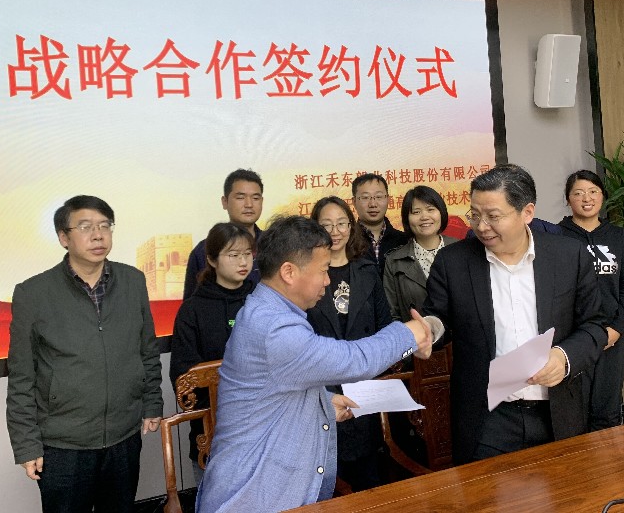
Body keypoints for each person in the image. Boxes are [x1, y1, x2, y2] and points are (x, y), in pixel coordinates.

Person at [196, 215, 433, 513]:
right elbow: (354, 360)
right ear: (289, 272)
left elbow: (273, 391)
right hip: (253, 497)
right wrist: (410, 333)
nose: (327, 280)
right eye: (323, 270)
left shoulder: (268, 310)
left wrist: (319, 403)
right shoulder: (275, 329)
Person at [421, 164, 607, 464]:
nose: (482, 226)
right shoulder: (453, 262)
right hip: (487, 420)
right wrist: (428, 330)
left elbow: (594, 326)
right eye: (475, 215)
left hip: (557, 414)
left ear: (527, 212)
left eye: (493, 216)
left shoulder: (568, 255)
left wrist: (564, 357)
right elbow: (437, 318)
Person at [6, 195, 163, 513]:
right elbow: (22, 376)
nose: (98, 235)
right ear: (63, 237)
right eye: (86, 227)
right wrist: (26, 443)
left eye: (105, 226)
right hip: (63, 445)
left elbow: (147, 350)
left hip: (123, 436)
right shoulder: (33, 293)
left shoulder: (133, 281)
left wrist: (152, 403)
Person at [306, 196, 391, 491]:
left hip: (363, 386)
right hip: (322, 389)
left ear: (351, 227)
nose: (335, 231)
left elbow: (384, 327)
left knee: (369, 476)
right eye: (327, 225)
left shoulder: (367, 270)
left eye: (342, 223)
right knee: (328, 478)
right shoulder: (306, 277)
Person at [169, 222, 256, 482]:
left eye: (248, 253)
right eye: (233, 254)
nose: (243, 261)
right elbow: (184, 378)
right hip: (213, 434)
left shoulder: (262, 301)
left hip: (263, 429)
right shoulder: (192, 311)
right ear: (211, 259)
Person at [558, 170, 624, 430]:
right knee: (574, 409)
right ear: (568, 199)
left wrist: (617, 329)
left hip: (612, 333)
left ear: (602, 196)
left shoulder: (617, 235)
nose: (587, 198)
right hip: (574, 335)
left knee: (607, 406)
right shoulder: (557, 236)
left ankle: (608, 455)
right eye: (578, 193)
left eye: (593, 192)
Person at [183, 168, 264, 300]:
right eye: (240, 197)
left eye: (255, 198)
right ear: (225, 202)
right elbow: (193, 303)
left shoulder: (274, 245)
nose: (249, 204)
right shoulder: (204, 250)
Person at [384, 185, 458, 323]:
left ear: (441, 212)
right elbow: (392, 313)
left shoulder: (461, 250)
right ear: (407, 218)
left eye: (430, 209)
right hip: (416, 335)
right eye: (416, 212)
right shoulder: (394, 261)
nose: (424, 217)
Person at [351, 173, 407, 276]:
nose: (373, 204)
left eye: (379, 197)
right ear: (354, 202)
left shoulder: (405, 241)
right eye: (365, 197)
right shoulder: (347, 241)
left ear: (388, 199)